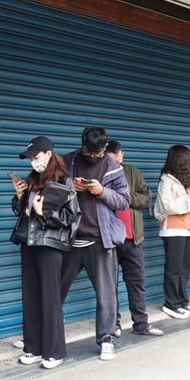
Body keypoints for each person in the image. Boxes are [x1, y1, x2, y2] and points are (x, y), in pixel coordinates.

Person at [60, 127, 130, 361]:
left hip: (100, 240)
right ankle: (44, 334)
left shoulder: (113, 168)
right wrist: (71, 187)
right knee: (54, 290)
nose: (92, 156)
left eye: (97, 153)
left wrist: (101, 192)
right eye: (88, 152)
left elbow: (124, 201)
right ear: (82, 145)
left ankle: (107, 339)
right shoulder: (66, 161)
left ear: (105, 148)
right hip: (68, 238)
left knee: (106, 294)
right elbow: (49, 188)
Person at [10, 136, 80, 369]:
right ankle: (33, 348)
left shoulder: (64, 180)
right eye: (30, 158)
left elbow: (71, 216)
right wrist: (20, 195)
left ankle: (54, 351)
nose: (33, 162)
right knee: (30, 297)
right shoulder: (32, 179)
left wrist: (43, 213)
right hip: (29, 243)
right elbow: (23, 212)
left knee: (50, 298)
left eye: (36, 157)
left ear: (49, 154)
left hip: (50, 245)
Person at [106, 141, 163, 337]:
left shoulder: (132, 172)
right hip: (110, 240)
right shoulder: (99, 173)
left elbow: (145, 195)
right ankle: (114, 325)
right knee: (109, 285)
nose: (113, 158)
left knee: (137, 281)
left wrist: (124, 198)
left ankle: (141, 324)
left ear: (121, 155)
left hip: (133, 238)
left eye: (116, 154)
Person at [154, 145, 190, 319]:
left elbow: (189, 204)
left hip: (186, 228)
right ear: (182, 159)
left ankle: (182, 301)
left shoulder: (185, 180)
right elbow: (168, 206)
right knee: (173, 269)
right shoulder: (166, 180)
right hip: (172, 229)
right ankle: (171, 304)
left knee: (184, 268)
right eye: (189, 157)